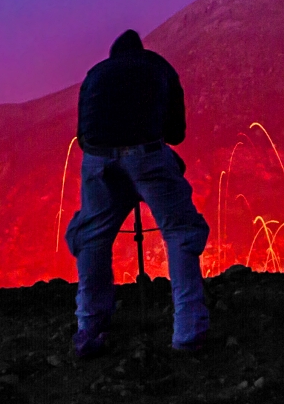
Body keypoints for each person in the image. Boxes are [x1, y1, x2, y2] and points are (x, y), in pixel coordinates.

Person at [64, 29, 211, 358]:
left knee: (93, 235)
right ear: (140, 51)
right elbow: (177, 133)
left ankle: (89, 326)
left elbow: (84, 137)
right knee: (181, 229)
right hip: (147, 155)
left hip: (97, 159)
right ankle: (188, 330)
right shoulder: (158, 67)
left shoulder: (95, 75)